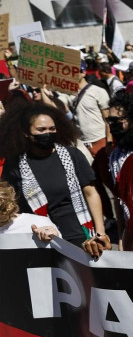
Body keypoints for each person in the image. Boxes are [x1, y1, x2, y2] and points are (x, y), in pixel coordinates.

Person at [0, 104, 108, 248]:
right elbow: (14, 203)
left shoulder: (72, 155)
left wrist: (100, 232)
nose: (48, 133)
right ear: (26, 133)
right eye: (41, 130)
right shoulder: (15, 164)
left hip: (80, 236)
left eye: (52, 129)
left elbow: (90, 193)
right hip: (40, 239)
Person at [66, 72, 112, 161]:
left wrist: (109, 142)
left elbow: (108, 119)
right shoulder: (69, 94)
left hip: (100, 140)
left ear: (83, 73)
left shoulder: (98, 91)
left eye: (75, 70)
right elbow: (53, 106)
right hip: (81, 143)